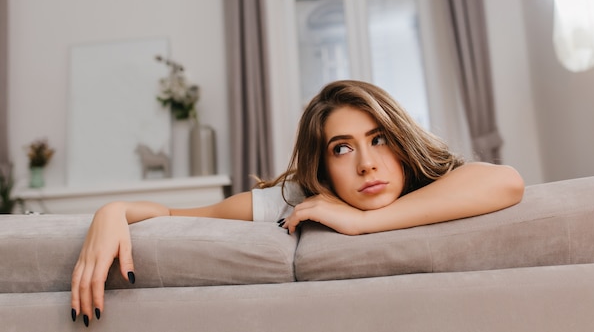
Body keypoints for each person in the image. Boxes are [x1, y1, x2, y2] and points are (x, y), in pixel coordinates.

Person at [71, 80, 525, 326]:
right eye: (342, 148)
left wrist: (364, 223)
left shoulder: (437, 184)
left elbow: (506, 181)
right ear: (323, 170)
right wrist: (112, 213)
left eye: (379, 140)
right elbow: (173, 215)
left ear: (402, 142)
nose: (367, 164)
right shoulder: (295, 200)